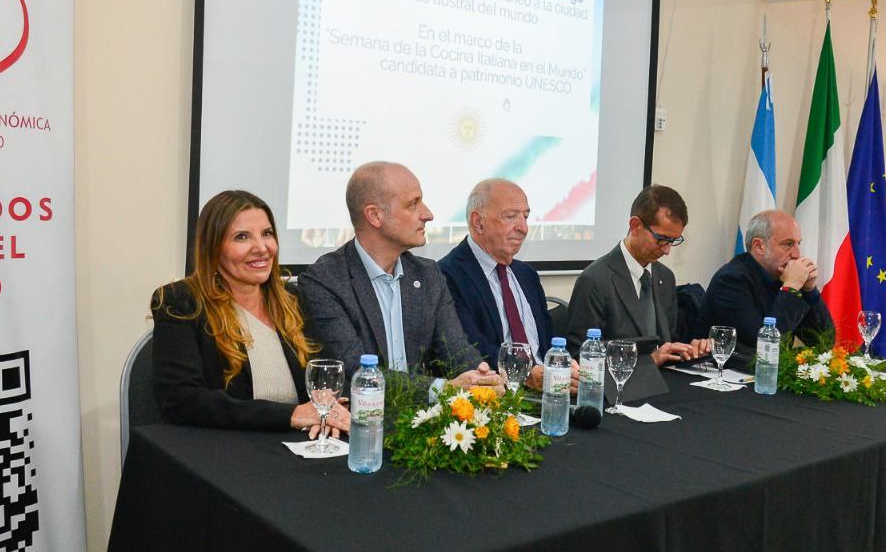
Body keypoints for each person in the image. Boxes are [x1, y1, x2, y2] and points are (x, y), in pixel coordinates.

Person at [151, 190, 349, 437]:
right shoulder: (179, 301)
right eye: (242, 237)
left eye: (267, 234)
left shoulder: (292, 298)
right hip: (225, 447)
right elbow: (181, 400)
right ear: (213, 248)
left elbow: (328, 370)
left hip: (300, 443)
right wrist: (291, 415)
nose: (262, 248)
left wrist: (329, 407)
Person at [298, 161, 502, 391]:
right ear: (375, 216)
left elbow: (457, 350)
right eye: (413, 204)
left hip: (428, 412)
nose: (428, 214)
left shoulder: (428, 275)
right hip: (363, 411)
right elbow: (357, 372)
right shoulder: (325, 281)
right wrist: (442, 390)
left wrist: (482, 378)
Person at [439, 178, 578, 392]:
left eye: (525, 217)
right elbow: (468, 347)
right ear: (478, 222)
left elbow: (548, 343)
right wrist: (526, 374)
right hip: (498, 395)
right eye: (511, 216)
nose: (523, 228)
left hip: (548, 392)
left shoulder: (527, 274)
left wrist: (564, 367)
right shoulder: (447, 275)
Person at [564, 185, 712, 364]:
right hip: (620, 381)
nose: (667, 251)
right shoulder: (595, 280)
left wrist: (688, 349)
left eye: (673, 241)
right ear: (635, 226)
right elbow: (581, 356)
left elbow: (668, 343)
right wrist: (649, 362)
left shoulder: (665, 277)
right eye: (662, 239)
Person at [694, 209, 834, 364]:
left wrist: (809, 290)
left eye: (798, 244)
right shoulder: (731, 280)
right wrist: (791, 287)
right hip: (726, 372)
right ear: (759, 246)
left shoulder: (784, 276)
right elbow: (763, 347)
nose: (797, 254)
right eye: (788, 244)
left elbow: (824, 342)